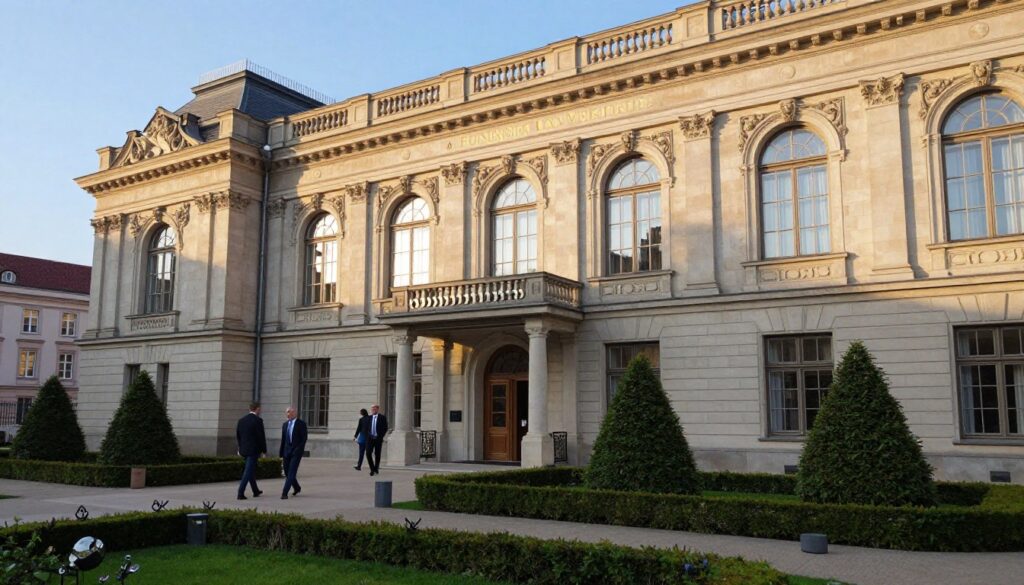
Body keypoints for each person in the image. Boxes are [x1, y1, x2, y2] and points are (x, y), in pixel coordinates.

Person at [235, 402, 267, 500]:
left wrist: (240, 448)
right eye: (259, 409)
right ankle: (240, 492)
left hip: (244, 449)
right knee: (248, 471)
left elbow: (238, 436)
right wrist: (264, 450)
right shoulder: (258, 420)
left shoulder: (241, 420)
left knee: (250, 470)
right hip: (253, 450)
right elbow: (261, 437)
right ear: (257, 409)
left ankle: (255, 490)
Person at [279, 406, 308, 499]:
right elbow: (283, 440)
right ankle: (296, 487)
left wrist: (298, 449)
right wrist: (281, 453)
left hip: (296, 452)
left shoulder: (301, 424)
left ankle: (284, 492)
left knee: (292, 472)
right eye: (287, 412)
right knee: (287, 472)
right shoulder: (285, 425)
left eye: (290, 412)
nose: (288, 414)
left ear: (295, 413)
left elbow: (303, 439)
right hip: (286, 452)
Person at [365, 404, 388, 476]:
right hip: (370, 439)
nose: (373, 410)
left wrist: (381, 436)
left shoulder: (382, 418)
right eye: (372, 409)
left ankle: (376, 468)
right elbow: (365, 428)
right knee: (368, 453)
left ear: (377, 409)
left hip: (378, 439)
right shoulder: (368, 418)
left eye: (374, 409)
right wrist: (367, 435)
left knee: (377, 454)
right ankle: (372, 469)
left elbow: (385, 428)